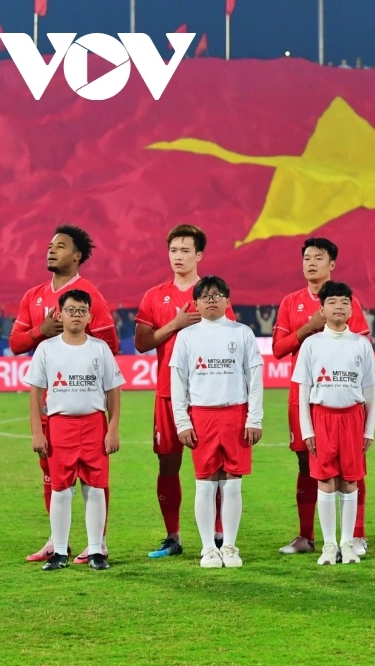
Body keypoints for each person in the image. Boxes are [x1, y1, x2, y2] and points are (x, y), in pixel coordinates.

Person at [10, 225, 120, 564]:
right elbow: (16, 343)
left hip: (84, 406)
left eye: (60, 246)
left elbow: (109, 346)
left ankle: (98, 543)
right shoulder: (33, 295)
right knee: (52, 475)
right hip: (52, 405)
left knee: (94, 477)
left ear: (77, 255)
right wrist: (40, 331)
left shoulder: (89, 295)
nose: (51, 250)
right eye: (50, 245)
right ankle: (57, 542)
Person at [135, 225, 234, 559]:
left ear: (199, 255)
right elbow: (141, 342)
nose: (178, 257)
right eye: (173, 250)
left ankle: (218, 534)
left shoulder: (212, 294)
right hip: (168, 393)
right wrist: (174, 325)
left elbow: (230, 338)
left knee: (215, 466)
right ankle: (172, 537)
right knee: (168, 464)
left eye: (185, 251)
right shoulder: (154, 296)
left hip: (207, 396)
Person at [272, 238, 372, 557]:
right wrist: (309, 327)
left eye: (318, 257)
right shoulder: (291, 302)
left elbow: (361, 348)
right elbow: (278, 349)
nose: (311, 263)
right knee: (307, 464)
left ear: (332, 264)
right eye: (306, 258)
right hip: (304, 396)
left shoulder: (345, 301)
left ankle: (355, 535)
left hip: (342, 398)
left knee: (352, 466)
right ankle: (307, 536)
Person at [25, 290, 124, 571]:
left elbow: (113, 391)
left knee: (95, 488)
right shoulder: (47, 349)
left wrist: (112, 428)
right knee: (61, 489)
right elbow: (36, 393)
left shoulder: (99, 349)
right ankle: (59, 552)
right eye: (70, 310)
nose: (76, 315)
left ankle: (96, 551)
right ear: (60, 314)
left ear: (90, 316)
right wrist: (37, 431)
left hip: (94, 425)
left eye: (82, 311)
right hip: (60, 426)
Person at [170, 276, 264, 569]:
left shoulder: (242, 333)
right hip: (202, 415)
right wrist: (182, 422)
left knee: (233, 483)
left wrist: (254, 418)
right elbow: (178, 380)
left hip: (236, 414)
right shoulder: (187, 336)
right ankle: (208, 548)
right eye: (205, 296)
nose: (211, 300)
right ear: (196, 303)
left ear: (228, 301)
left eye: (217, 295)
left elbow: (255, 377)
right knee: (205, 483)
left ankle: (230, 546)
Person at [291, 281, 375, 565]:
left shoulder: (361, 345)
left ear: (352, 309)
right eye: (332, 302)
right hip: (322, 417)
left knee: (350, 481)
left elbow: (369, 392)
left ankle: (347, 543)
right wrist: (307, 429)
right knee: (326, 481)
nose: (338, 306)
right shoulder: (311, 344)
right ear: (322, 309)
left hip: (353, 418)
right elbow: (303, 391)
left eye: (344, 302)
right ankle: (329, 545)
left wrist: (368, 429)